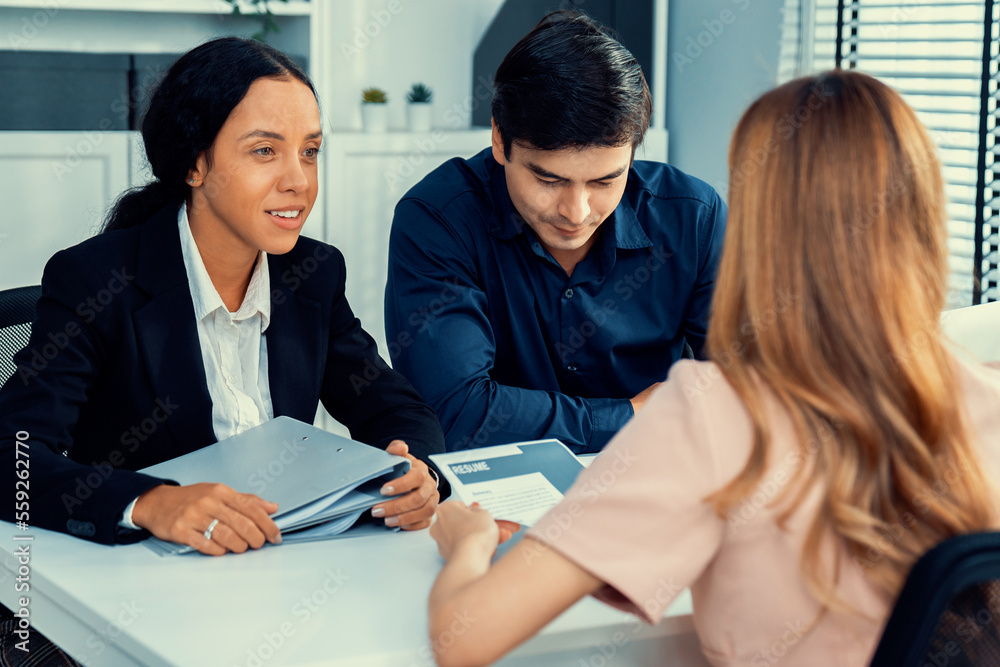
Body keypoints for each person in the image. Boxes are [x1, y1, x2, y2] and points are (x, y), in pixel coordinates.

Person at [425, 70, 1000, 667]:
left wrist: (467, 543)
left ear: (762, 224)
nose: (577, 210)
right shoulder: (988, 398)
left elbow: (460, 639)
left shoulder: (713, 414)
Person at [0, 37, 446, 556]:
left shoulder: (313, 274)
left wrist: (416, 468)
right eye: (264, 151)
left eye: (310, 151)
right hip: (146, 578)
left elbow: (398, 409)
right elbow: (14, 455)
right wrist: (149, 502)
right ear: (195, 165)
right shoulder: (97, 280)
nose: (299, 181)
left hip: (282, 563)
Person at [384, 11, 727, 453]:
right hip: (492, 500)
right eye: (549, 180)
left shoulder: (693, 218)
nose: (576, 212)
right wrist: (634, 417)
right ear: (499, 139)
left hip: (654, 485)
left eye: (605, 181)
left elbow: (748, 384)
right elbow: (455, 414)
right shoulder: (438, 219)